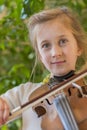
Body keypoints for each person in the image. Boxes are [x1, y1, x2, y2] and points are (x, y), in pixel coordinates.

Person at [0, 6, 87, 130]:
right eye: (46, 45)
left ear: (78, 48)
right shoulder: (24, 94)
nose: (55, 53)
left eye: (63, 41)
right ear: (40, 56)